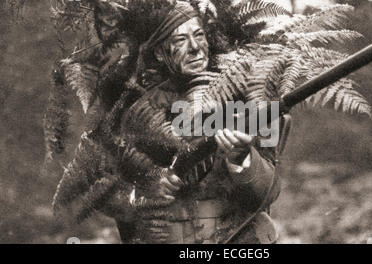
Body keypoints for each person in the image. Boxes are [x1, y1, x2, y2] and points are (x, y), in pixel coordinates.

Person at [53, 1, 289, 244]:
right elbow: (99, 193)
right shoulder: (131, 111)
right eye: (180, 40)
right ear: (158, 52)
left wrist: (242, 159)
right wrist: (144, 190)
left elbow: (268, 193)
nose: (196, 48)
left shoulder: (247, 97)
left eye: (199, 35)